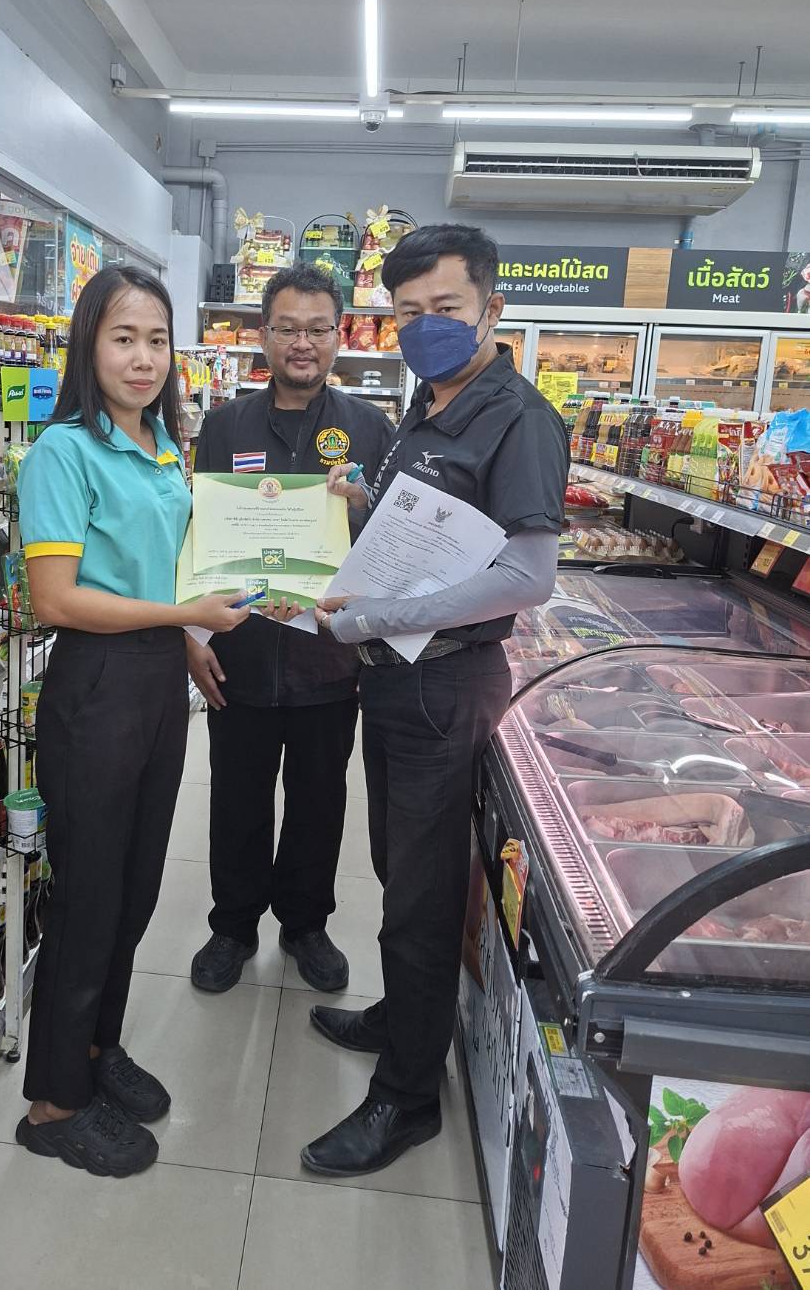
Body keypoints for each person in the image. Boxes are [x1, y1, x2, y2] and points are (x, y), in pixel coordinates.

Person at [299, 224, 567, 1177]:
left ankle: (408, 1097)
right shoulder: (429, 398)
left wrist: (377, 617)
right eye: (407, 312)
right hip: (396, 677)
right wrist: (358, 503)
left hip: (446, 681)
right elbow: (432, 530)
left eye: (445, 308)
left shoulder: (520, 417)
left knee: (421, 893)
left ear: (492, 308)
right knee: (397, 868)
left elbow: (526, 575)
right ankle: (406, 1017)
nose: (425, 327)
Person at [15, 265, 249, 1178]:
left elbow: (155, 570)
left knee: (138, 887)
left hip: (155, 682)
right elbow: (56, 598)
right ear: (89, 344)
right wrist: (183, 618)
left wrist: (185, 641)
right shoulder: (63, 452)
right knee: (88, 895)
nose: (143, 358)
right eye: (124, 338)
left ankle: (95, 1048)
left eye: (157, 340)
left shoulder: (157, 445)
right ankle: (53, 1103)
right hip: (97, 687)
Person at [188, 264, 394, 994]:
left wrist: (362, 506)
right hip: (239, 654)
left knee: (319, 800)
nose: (302, 343)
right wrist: (192, 641)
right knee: (236, 797)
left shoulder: (371, 428)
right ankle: (232, 924)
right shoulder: (225, 426)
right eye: (287, 328)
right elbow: (198, 537)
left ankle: (305, 924)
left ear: (338, 335)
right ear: (263, 335)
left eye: (317, 329)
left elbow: (393, 546)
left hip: (329, 662)